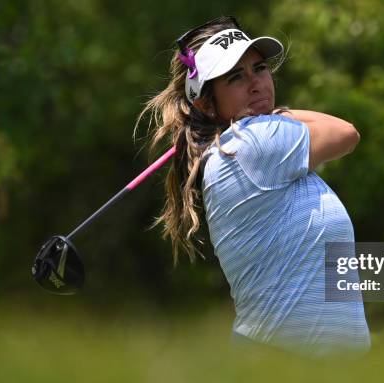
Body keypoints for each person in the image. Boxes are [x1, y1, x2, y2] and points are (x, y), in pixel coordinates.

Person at [136, 16, 371, 357]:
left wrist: (270, 114)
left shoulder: (242, 145)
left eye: (259, 68)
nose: (256, 83)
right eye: (236, 77)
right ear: (206, 103)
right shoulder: (251, 144)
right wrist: (276, 115)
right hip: (286, 364)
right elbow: (345, 133)